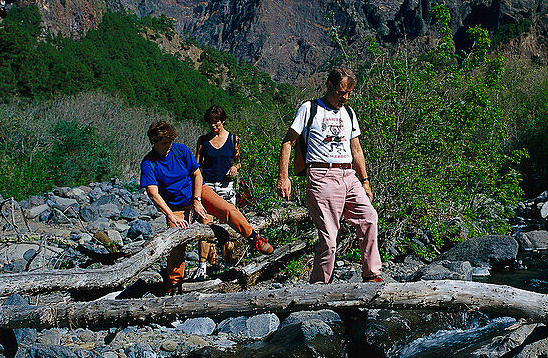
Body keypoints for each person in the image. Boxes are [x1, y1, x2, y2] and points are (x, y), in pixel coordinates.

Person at [276, 67, 382, 283]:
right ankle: (319, 286)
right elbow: (288, 142)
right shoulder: (309, 108)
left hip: (348, 174)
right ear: (329, 86)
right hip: (321, 174)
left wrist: (365, 181)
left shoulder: (349, 113)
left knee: (369, 217)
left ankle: (371, 275)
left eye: (349, 93)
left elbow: (357, 150)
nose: (345, 97)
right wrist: (283, 177)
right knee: (330, 237)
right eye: (342, 92)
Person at [141, 120, 272, 294]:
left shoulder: (180, 150)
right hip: (175, 205)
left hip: (197, 191)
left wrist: (197, 200)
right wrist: (171, 216)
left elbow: (197, 174)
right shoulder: (149, 163)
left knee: (227, 209)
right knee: (176, 244)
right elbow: (153, 194)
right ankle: (174, 284)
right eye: (164, 143)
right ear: (154, 142)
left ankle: (254, 237)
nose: (168, 146)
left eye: (170, 142)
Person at [192, 104, 243, 279]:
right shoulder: (203, 140)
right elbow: (196, 165)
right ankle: (202, 266)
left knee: (227, 226)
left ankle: (227, 265)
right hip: (207, 186)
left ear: (222, 120)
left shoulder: (233, 139)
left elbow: (238, 161)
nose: (214, 125)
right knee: (206, 225)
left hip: (226, 186)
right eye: (211, 122)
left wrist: (235, 168)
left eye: (217, 121)